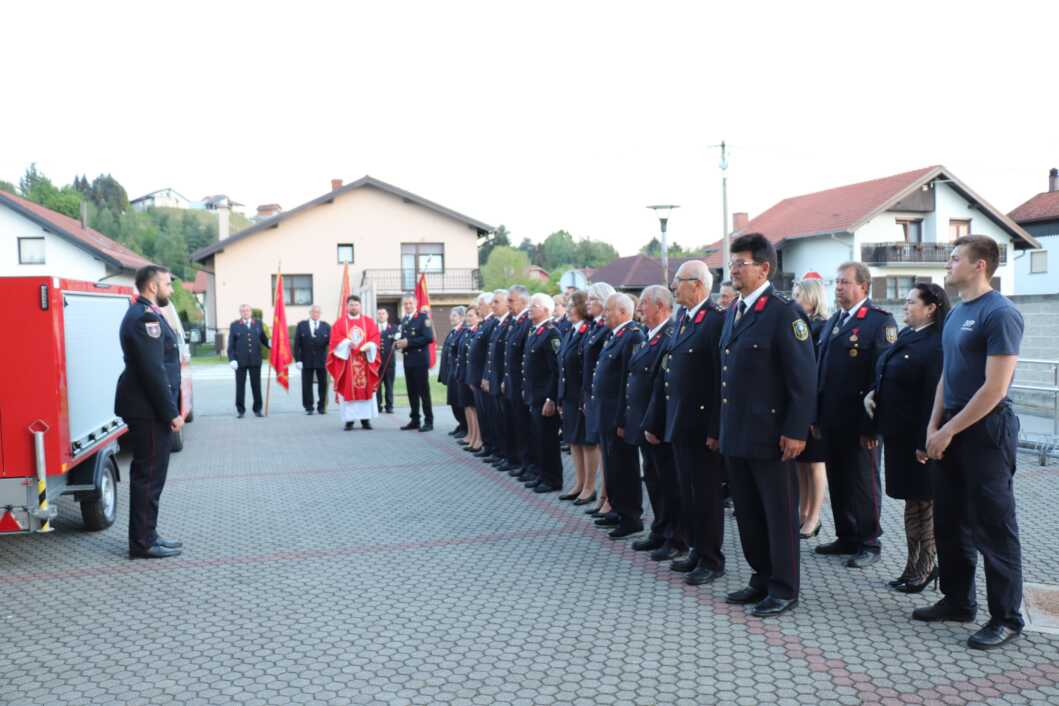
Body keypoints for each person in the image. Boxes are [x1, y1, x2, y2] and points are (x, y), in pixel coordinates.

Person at [916, 236, 1025, 651]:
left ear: (980, 265)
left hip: (985, 432)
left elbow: (994, 388)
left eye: (955, 258)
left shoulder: (1000, 313)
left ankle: (1006, 618)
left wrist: (949, 431)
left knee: (993, 526)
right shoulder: (958, 311)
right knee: (950, 522)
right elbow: (949, 374)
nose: (948, 262)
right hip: (951, 428)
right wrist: (933, 425)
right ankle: (958, 600)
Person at [719, 233, 817, 617]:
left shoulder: (784, 314)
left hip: (772, 435)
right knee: (748, 512)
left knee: (778, 514)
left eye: (740, 264)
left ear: (764, 268)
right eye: (732, 264)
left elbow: (803, 379)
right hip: (737, 433)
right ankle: (760, 576)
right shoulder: (734, 312)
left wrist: (796, 431)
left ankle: (784, 586)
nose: (734, 270)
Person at [645, 260, 726, 585]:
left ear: (697, 285)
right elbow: (667, 376)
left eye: (679, 281)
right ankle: (695, 548)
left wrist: (714, 428)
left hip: (702, 426)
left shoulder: (715, 321)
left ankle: (711, 558)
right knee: (688, 493)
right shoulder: (682, 320)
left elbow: (720, 379)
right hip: (680, 423)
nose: (674, 286)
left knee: (706, 496)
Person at [865, 283, 949, 594]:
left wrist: (922, 442)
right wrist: (875, 393)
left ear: (931, 308)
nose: (905, 305)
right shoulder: (907, 335)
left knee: (924, 505)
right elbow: (888, 371)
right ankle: (912, 565)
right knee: (912, 504)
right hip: (898, 436)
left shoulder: (936, 343)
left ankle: (926, 567)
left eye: (912, 302)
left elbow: (931, 397)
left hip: (918, 440)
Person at [814, 262, 897, 568]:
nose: (838, 287)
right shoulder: (835, 320)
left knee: (863, 482)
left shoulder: (879, 322)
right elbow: (821, 373)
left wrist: (873, 428)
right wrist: (816, 417)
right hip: (832, 419)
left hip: (860, 422)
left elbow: (882, 379)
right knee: (838, 480)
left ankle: (869, 541)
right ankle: (846, 535)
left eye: (845, 282)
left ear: (863, 286)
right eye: (836, 282)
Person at [115, 265, 185, 559]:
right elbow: (153, 372)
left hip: (148, 408)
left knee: (151, 476)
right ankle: (143, 543)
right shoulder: (144, 317)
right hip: (149, 411)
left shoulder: (147, 313)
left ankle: (149, 535)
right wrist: (171, 413)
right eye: (168, 284)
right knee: (148, 477)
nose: (171, 289)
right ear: (153, 287)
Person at [630, 286, 686, 561]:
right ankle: (660, 529)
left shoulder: (669, 335)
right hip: (645, 422)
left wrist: (653, 423)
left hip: (660, 425)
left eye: (644, 304)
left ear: (661, 306)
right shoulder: (650, 336)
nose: (640, 309)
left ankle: (677, 537)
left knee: (669, 483)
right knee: (653, 480)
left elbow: (659, 386)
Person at [589, 292, 646, 538]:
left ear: (623, 312)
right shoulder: (616, 336)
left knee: (624, 467)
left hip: (617, 415)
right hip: (605, 413)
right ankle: (616, 509)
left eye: (609, 310)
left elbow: (627, 381)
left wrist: (623, 418)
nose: (604, 313)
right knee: (612, 466)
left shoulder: (632, 336)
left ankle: (630, 517)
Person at [792, 280, 830, 538]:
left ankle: (814, 516)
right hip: (799, 402)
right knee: (801, 463)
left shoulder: (821, 327)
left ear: (812, 298)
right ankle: (803, 511)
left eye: (798, 295)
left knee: (815, 463)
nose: (794, 299)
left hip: (815, 403)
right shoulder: (799, 324)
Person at [522, 293, 563, 493]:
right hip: (534, 395)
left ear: (546, 310)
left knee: (548, 440)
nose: (530, 308)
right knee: (538, 438)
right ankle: (542, 475)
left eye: (534, 305)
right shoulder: (535, 331)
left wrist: (551, 398)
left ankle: (552, 479)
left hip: (544, 397)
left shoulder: (551, 333)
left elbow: (556, 370)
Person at [557, 291, 596, 505]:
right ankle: (579, 483)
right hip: (570, 395)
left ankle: (590, 487)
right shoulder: (571, 331)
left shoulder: (587, 331)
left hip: (581, 396)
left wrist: (585, 398)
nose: (569, 309)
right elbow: (562, 366)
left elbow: (586, 369)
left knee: (587, 442)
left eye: (572, 305)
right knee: (573, 440)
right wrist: (561, 397)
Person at [582, 282, 616, 518]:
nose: (588, 303)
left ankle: (608, 497)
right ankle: (604, 496)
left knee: (607, 452)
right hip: (593, 395)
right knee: (601, 447)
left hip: (606, 399)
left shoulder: (607, 329)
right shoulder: (594, 327)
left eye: (593, 299)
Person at [326, 295, 381, 430]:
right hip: (347, 363)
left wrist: (370, 346)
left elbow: (375, 338)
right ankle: (349, 421)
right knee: (348, 389)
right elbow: (334, 340)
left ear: (360, 306)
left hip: (365, 362)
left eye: (356, 305)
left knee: (365, 390)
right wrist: (346, 343)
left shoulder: (368, 322)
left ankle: (365, 420)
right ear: (347, 306)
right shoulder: (339, 323)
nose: (354, 307)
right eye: (351, 305)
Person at [504, 286, 536, 483]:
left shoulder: (526, 324)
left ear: (524, 302)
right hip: (513, 384)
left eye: (511, 300)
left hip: (522, 385)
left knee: (526, 428)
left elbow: (526, 359)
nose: (509, 304)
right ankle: (523, 464)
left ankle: (529, 466)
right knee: (518, 427)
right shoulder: (516, 322)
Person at [482, 290, 512, 468]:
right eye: (492, 302)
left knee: (505, 421)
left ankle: (508, 455)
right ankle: (501, 453)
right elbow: (490, 354)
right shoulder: (500, 324)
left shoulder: (508, 323)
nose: (492, 306)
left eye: (496, 302)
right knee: (497, 420)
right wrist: (487, 376)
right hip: (495, 379)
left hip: (503, 381)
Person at [397, 294, 435, 431]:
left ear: (416, 304)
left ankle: (429, 421)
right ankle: (415, 419)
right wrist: (398, 343)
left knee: (423, 392)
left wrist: (409, 342)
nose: (407, 306)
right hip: (408, 361)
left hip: (420, 361)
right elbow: (403, 338)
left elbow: (429, 338)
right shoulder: (405, 320)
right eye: (405, 304)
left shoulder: (423, 318)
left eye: (410, 303)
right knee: (411, 391)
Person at [227, 303, 271, 418]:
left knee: (256, 386)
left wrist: (270, 343)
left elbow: (264, 340)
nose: (245, 313)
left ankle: (258, 409)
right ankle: (240, 410)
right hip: (240, 361)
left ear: (251, 312)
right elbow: (231, 345)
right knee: (240, 386)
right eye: (243, 311)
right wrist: (232, 359)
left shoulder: (258, 324)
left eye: (247, 311)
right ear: (240, 313)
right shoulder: (235, 325)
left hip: (255, 360)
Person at [467, 293, 497, 455]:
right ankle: (488, 445)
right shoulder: (485, 324)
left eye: (481, 305)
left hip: (484, 377)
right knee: (484, 414)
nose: (479, 308)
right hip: (478, 376)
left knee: (490, 415)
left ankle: (492, 447)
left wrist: (485, 376)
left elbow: (489, 355)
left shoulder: (492, 323)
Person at [293, 305, 331, 415]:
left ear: (320, 314)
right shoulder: (302, 325)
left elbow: (331, 343)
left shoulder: (326, 326)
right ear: (310, 313)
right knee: (306, 384)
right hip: (306, 359)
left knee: (323, 384)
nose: (315, 314)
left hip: (322, 359)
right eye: (313, 312)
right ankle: (308, 406)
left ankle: (322, 406)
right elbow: (297, 344)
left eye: (318, 312)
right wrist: (298, 360)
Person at [440, 307, 468, 437]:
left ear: (462, 318)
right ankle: (461, 424)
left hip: (458, 372)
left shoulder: (463, 331)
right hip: (451, 371)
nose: (451, 317)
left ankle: (465, 426)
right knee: (453, 400)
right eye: (451, 315)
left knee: (459, 400)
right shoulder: (453, 332)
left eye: (455, 315)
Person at [457, 307, 482, 451]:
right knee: (467, 405)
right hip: (464, 373)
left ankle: (478, 439)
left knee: (474, 407)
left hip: (472, 375)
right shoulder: (468, 332)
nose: (468, 318)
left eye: (471, 316)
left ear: (478, 317)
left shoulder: (478, 332)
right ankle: (471, 435)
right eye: (467, 316)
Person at [376, 308, 398, 414]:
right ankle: (377, 405)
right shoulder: (373, 328)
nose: (381, 315)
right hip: (376, 363)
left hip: (389, 363)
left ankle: (389, 406)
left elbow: (397, 344)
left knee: (389, 385)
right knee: (377, 385)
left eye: (383, 313)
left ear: (387, 315)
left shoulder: (394, 328)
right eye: (379, 314)